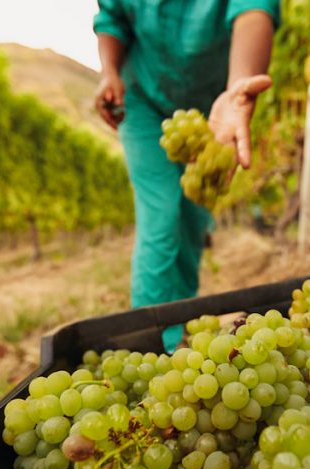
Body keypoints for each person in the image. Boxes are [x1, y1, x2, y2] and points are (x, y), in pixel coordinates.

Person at [93, 1, 279, 353]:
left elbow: (254, 9)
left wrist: (239, 86)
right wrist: (109, 71)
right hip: (143, 99)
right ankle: (149, 345)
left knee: (193, 220)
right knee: (161, 214)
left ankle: (175, 331)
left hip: (216, 108)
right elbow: (112, 18)